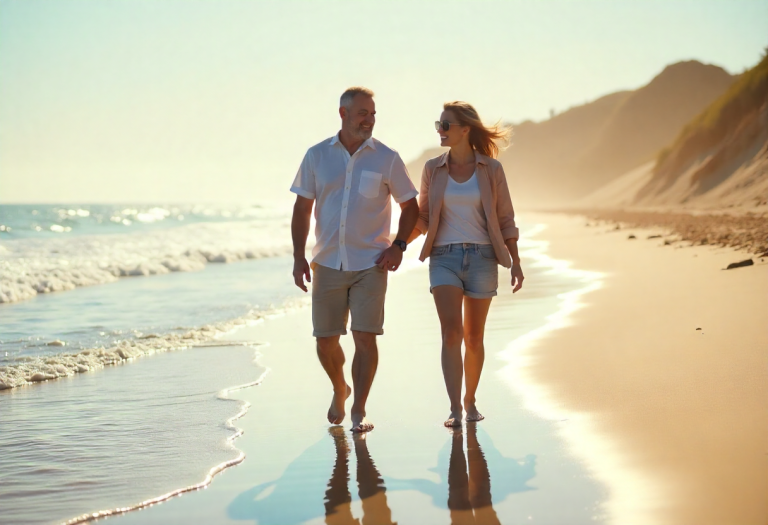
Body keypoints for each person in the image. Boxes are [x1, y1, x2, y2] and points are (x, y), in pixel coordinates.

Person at [290, 87, 419, 433]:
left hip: (371, 264)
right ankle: (339, 388)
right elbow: (302, 209)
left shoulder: (387, 158)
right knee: (325, 341)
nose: (370, 120)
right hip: (327, 262)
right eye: (363, 113)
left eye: (373, 113)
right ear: (343, 114)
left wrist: (399, 245)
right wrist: (298, 256)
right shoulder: (317, 156)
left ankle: (360, 409)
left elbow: (411, 207)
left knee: (365, 337)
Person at [408, 101, 524, 427]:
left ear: (465, 130)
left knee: (474, 338)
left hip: (484, 257)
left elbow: (505, 219)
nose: (440, 131)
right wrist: (396, 245)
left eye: (446, 125)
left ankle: (470, 400)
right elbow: (424, 217)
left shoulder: (491, 170)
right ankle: (454, 409)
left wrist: (515, 262)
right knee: (451, 334)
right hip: (444, 257)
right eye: (438, 125)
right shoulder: (433, 169)